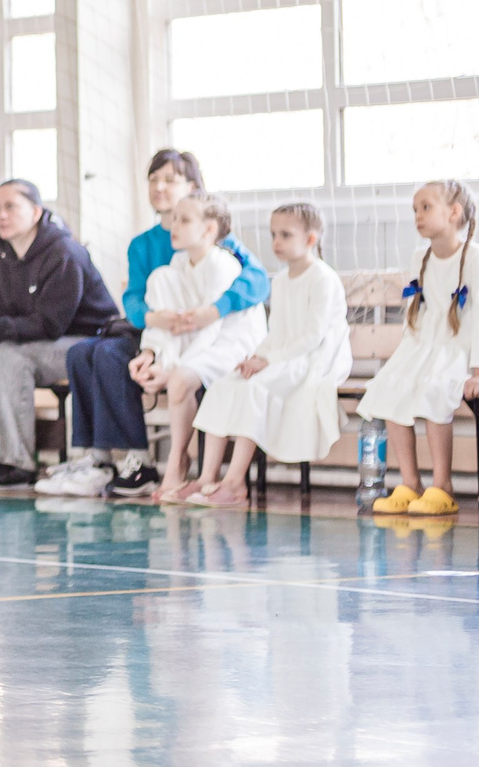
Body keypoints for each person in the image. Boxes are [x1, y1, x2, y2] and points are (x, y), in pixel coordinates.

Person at [55, 149, 272, 498]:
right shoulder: (146, 246)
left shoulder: (217, 242)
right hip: (159, 329)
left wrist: (214, 310)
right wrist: (152, 322)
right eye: (153, 179)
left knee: (111, 357)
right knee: (82, 353)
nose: (159, 187)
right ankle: (97, 459)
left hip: (203, 334)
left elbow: (258, 281)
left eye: (170, 179)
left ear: (193, 187)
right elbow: (137, 297)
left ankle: (140, 461)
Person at [0, 179, 118, 493]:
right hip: (44, 341)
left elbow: (51, 324)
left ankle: (16, 463)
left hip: (87, 343)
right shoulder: (2, 257)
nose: (1, 215)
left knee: (12, 355)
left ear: (36, 211)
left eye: (11, 206)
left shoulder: (63, 252)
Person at [185, 202, 349, 507]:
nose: (276, 242)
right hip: (284, 354)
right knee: (224, 385)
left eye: (285, 235)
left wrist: (268, 361)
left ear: (311, 239)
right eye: (274, 234)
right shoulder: (282, 280)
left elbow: (313, 337)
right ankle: (207, 478)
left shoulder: (323, 278)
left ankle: (234, 484)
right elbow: (276, 333)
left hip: (315, 358)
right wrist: (255, 357)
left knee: (255, 389)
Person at [130, 193, 268, 503]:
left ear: (208, 230)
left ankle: (180, 463)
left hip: (235, 346)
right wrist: (155, 356)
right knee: (159, 279)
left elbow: (212, 329)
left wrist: (173, 369)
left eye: (184, 220)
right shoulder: (178, 263)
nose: (174, 226)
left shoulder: (222, 265)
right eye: (174, 218)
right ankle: (179, 466)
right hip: (205, 343)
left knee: (180, 379)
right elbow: (176, 323)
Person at [361, 179, 478, 516]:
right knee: (391, 388)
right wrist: (405, 359)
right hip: (424, 345)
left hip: (458, 347)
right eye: (415, 209)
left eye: (426, 207)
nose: (418, 215)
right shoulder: (420, 257)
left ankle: (442, 484)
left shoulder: (472, 257)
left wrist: (477, 369)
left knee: (435, 389)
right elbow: (419, 312)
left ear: (454, 213)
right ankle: (410, 482)